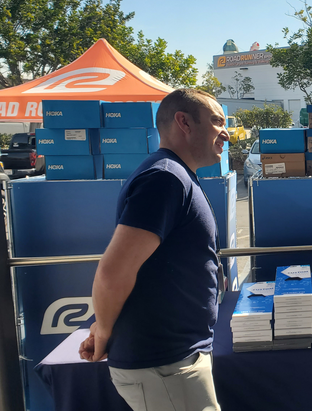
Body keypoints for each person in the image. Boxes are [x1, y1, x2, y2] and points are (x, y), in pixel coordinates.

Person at [78, 89, 230, 411]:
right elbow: (113, 272)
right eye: (217, 122)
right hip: (165, 366)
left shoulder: (176, 175)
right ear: (184, 122)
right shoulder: (165, 179)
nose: (226, 133)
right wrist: (103, 332)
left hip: (174, 362)